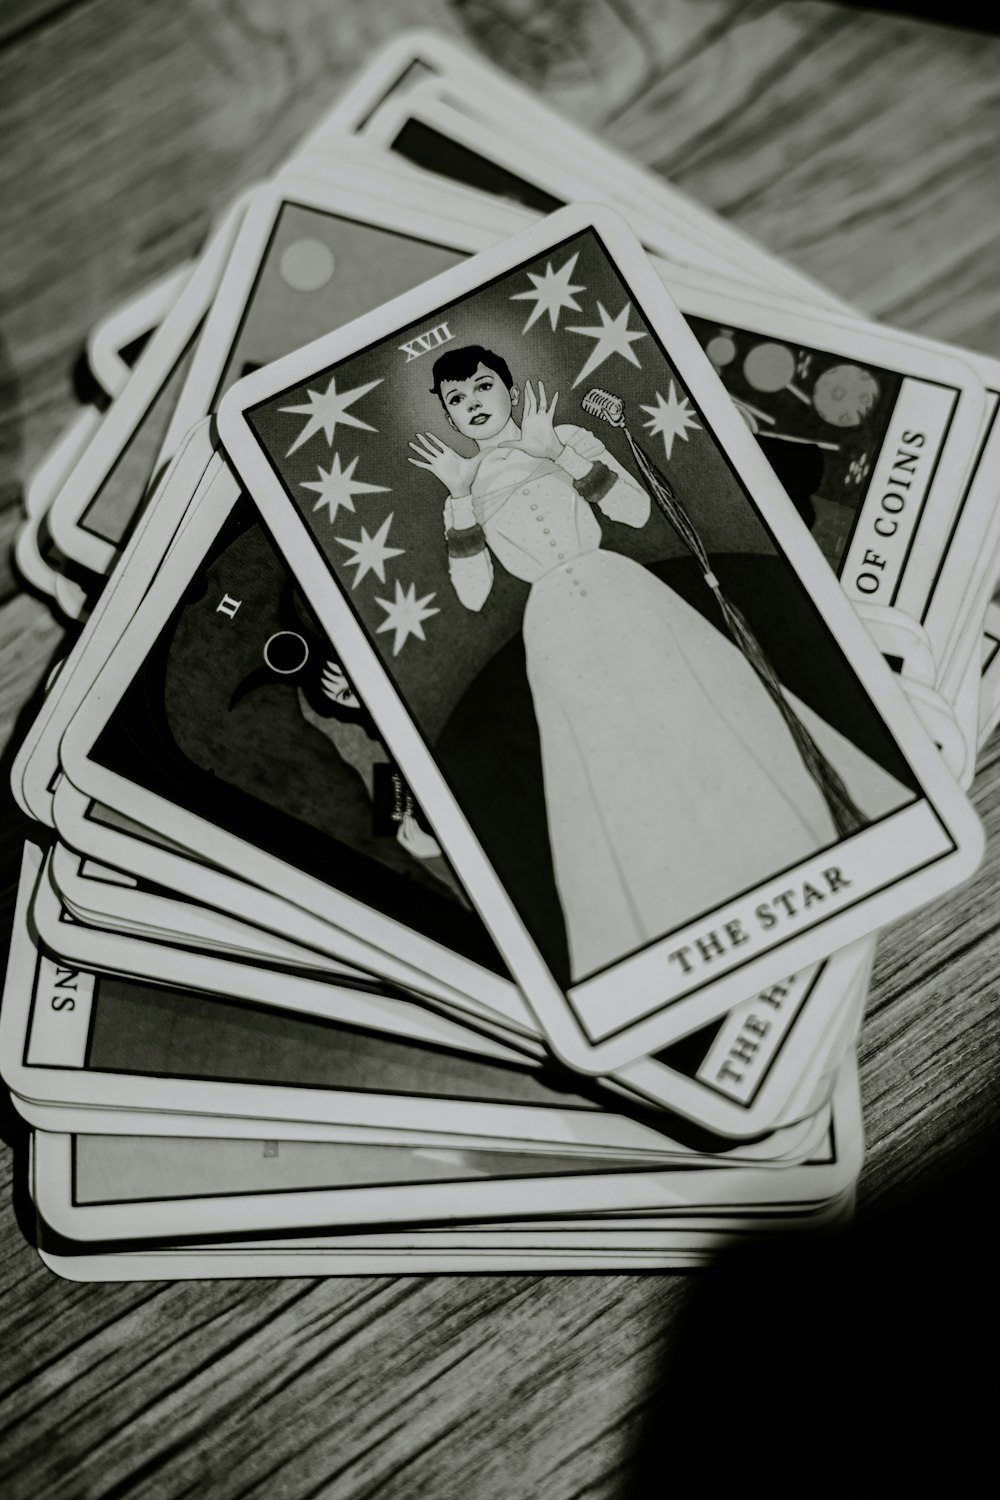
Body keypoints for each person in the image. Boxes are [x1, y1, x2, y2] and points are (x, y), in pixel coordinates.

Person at [409, 345, 910, 982]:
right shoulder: (465, 488)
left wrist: (555, 452)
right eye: (457, 399)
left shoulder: (565, 436)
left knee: (707, 715)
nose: (473, 403)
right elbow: (475, 593)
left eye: (481, 387)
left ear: (507, 388)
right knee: (608, 763)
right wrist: (457, 498)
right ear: (450, 416)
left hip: (623, 593)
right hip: (556, 627)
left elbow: (635, 511)